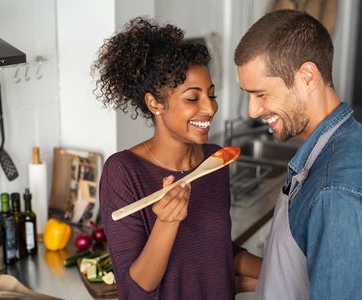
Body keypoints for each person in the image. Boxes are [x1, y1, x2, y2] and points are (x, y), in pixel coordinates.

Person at [93, 17, 261, 299]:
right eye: (192, 98)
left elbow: (215, 250)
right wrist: (166, 223)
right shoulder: (123, 171)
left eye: (211, 94)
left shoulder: (215, 161)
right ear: (155, 103)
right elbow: (135, 290)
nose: (210, 108)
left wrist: (284, 272)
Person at [234, 9, 362, 300]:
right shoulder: (342, 143)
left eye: (261, 94)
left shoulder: (334, 190)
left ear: (307, 76)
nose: (252, 111)